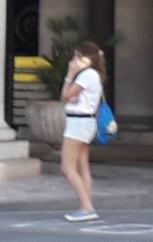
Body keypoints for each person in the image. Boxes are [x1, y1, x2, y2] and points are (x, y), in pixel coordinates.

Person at [60, 41, 107, 223]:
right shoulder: (93, 75)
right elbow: (71, 96)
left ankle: (87, 207)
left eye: (77, 56)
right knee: (82, 165)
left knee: (68, 167)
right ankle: (87, 205)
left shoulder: (86, 75)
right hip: (85, 121)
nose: (74, 60)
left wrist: (69, 74)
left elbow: (66, 94)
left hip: (78, 123)